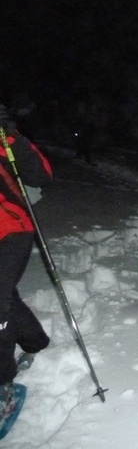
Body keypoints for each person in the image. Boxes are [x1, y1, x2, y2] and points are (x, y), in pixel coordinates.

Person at [0, 104, 52, 419]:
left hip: (12, 230)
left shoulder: (3, 138)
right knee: (5, 296)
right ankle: (35, 341)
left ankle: (2, 384)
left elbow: (41, 175)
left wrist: (13, 136)